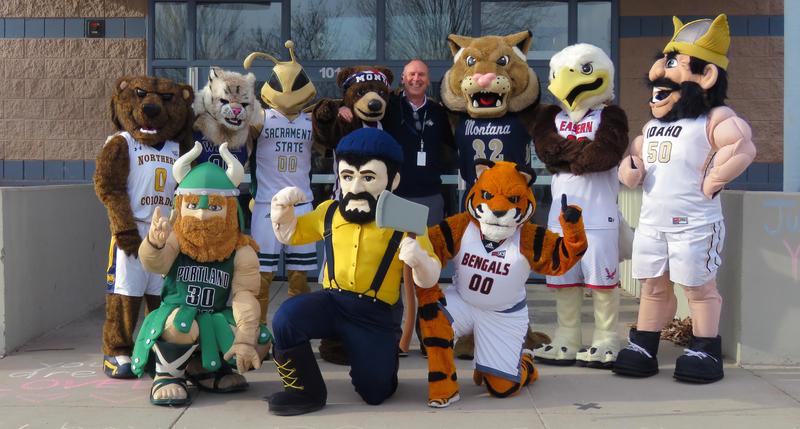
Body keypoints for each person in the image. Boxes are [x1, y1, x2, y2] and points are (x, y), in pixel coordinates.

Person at [614, 14, 756, 383]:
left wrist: (714, 180)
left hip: (695, 222)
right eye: (664, 60)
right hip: (652, 222)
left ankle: (705, 348)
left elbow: (741, 144)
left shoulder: (715, 117)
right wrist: (630, 170)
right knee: (652, 284)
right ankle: (644, 344)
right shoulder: (653, 125)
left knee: (698, 287)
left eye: (673, 64)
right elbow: (636, 162)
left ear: (705, 75)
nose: (660, 71)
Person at [267, 128, 441, 415]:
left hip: (374, 315)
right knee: (287, 317)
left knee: (375, 392)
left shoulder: (404, 215)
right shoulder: (330, 211)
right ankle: (304, 391)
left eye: (368, 177)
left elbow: (431, 275)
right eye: (348, 176)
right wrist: (282, 213)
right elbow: (292, 234)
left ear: (393, 180)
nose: (356, 187)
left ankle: (380, 363)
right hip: (332, 301)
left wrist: (420, 260)